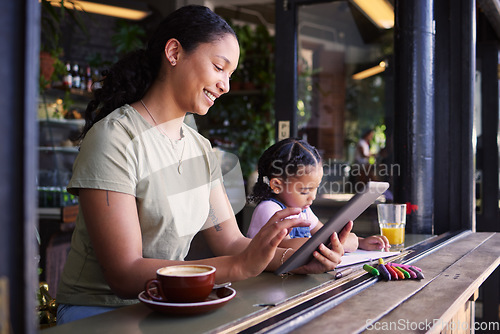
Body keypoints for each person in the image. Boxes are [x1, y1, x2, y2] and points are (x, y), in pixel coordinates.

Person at [55, 5, 350, 324]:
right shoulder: (114, 138)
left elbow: (233, 243)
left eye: (231, 75)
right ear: (174, 52)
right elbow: (124, 274)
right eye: (219, 67)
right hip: (99, 312)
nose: (226, 85)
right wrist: (239, 268)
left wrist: (297, 259)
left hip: (172, 305)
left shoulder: (199, 149)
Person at [247, 138, 390, 252]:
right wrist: (332, 242)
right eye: (304, 191)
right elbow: (286, 246)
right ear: (277, 186)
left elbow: (325, 234)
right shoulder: (269, 209)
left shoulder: (304, 210)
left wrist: (360, 242)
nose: (312, 197)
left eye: (315, 188)